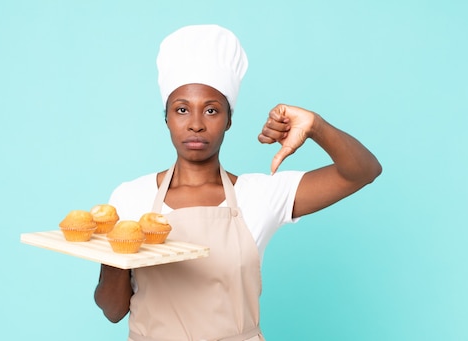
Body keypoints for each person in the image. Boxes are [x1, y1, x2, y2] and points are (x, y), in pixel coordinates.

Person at [94, 24, 382, 341]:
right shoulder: (130, 197)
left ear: (229, 119)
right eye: (181, 110)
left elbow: (363, 171)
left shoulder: (259, 195)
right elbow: (113, 310)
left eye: (212, 110)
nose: (195, 124)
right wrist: (116, 256)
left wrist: (315, 125)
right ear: (167, 118)